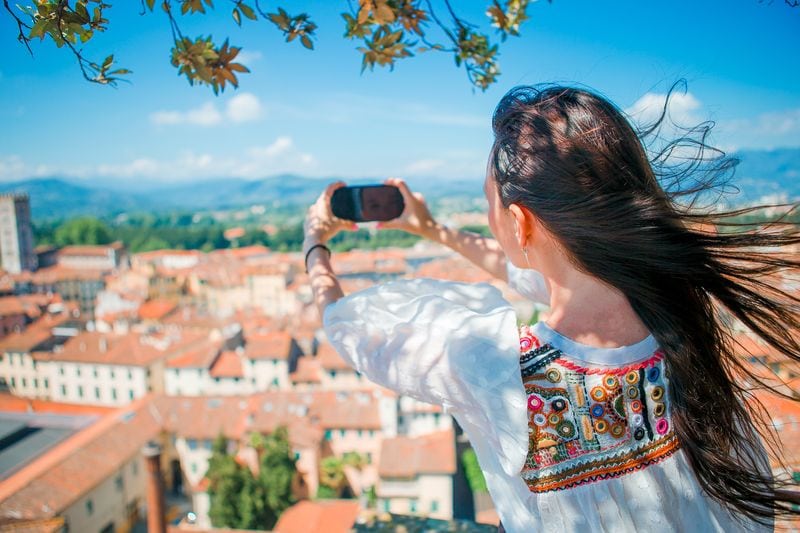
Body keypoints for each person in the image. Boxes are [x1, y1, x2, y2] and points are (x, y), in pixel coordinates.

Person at [302, 84, 800, 532]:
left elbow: (347, 325)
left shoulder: (496, 369)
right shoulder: (673, 298)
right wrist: (432, 230)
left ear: (519, 224)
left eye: (490, 206)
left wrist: (314, 243)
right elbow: (538, 267)